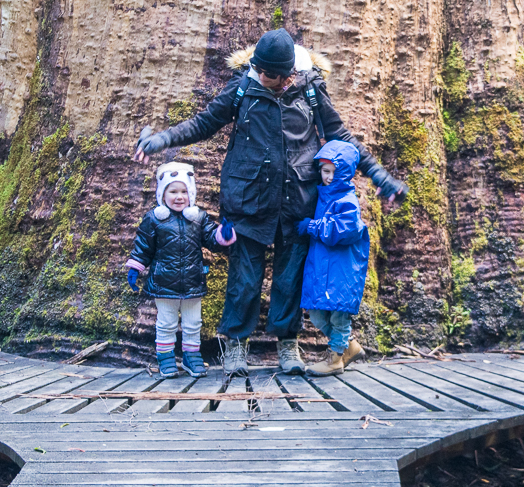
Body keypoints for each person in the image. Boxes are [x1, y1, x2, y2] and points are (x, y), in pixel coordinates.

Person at [134, 28, 407, 377]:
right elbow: (204, 123)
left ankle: (287, 344)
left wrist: (380, 177)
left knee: (289, 278)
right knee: (243, 279)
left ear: (288, 73)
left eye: (270, 76)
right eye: (259, 71)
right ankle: (234, 345)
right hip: (248, 199)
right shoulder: (243, 87)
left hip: (298, 200)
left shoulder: (310, 90)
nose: (263, 78)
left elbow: (342, 137)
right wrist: (162, 139)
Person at [125, 162, 236, 378]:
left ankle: (191, 356)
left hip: (193, 281)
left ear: (191, 193)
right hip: (163, 282)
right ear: (162, 194)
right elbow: (143, 246)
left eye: (184, 191)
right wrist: (135, 267)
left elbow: (212, 239)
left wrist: (224, 234)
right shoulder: (154, 219)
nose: (179, 197)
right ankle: (165, 357)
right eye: (173, 191)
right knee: (166, 322)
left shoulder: (198, 218)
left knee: (193, 322)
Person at [296, 140, 370, 376]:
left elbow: (346, 230)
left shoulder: (346, 199)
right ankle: (349, 346)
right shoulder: (324, 195)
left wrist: (313, 226)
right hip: (324, 267)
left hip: (342, 270)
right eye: (324, 171)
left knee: (338, 314)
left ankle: (335, 357)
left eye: (334, 172)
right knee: (317, 315)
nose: (328, 176)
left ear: (345, 172)